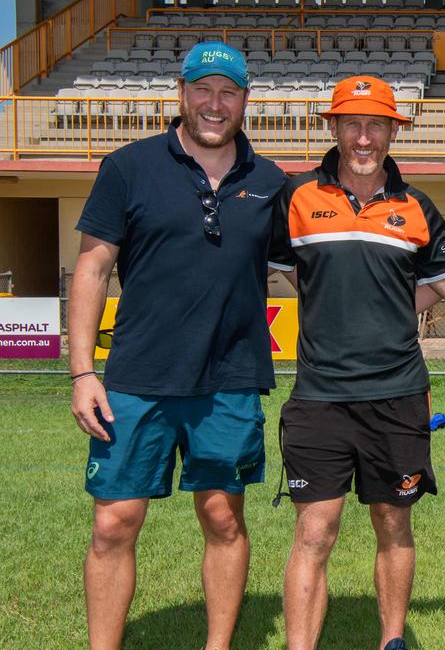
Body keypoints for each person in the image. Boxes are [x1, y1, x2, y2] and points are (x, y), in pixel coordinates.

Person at [68, 41, 285, 650]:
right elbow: (92, 267)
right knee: (114, 522)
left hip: (230, 380)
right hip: (137, 379)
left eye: (228, 92)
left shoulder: (270, 181)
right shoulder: (128, 167)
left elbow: (311, 266)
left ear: (245, 100)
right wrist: (84, 373)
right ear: (182, 92)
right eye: (203, 89)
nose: (215, 104)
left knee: (222, 517)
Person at [269, 75, 445, 650]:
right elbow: (294, 275)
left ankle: (392, 641)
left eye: (376, 126)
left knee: (394, 523)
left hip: (397, 395)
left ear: (393, 131)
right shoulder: (296, 198)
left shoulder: (416, 207)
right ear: (333, 127)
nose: (364, 138)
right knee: (315, 530)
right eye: (352, 125)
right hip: (319, 398)